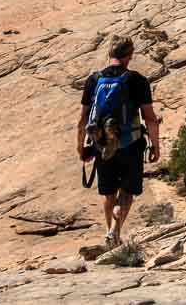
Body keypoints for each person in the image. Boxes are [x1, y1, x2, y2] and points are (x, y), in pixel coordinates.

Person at [77, 36, 161, 248]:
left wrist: (81, 147)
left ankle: (109, 235)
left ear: (109, 55)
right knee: (127, 192)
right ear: (129, 56)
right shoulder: (136, 80)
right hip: (131, 143)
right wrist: (154, 145)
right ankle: (115, 231)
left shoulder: (94, 79)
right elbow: (149, 117)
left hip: (101, 146)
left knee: (109, 194)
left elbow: (82, 119)